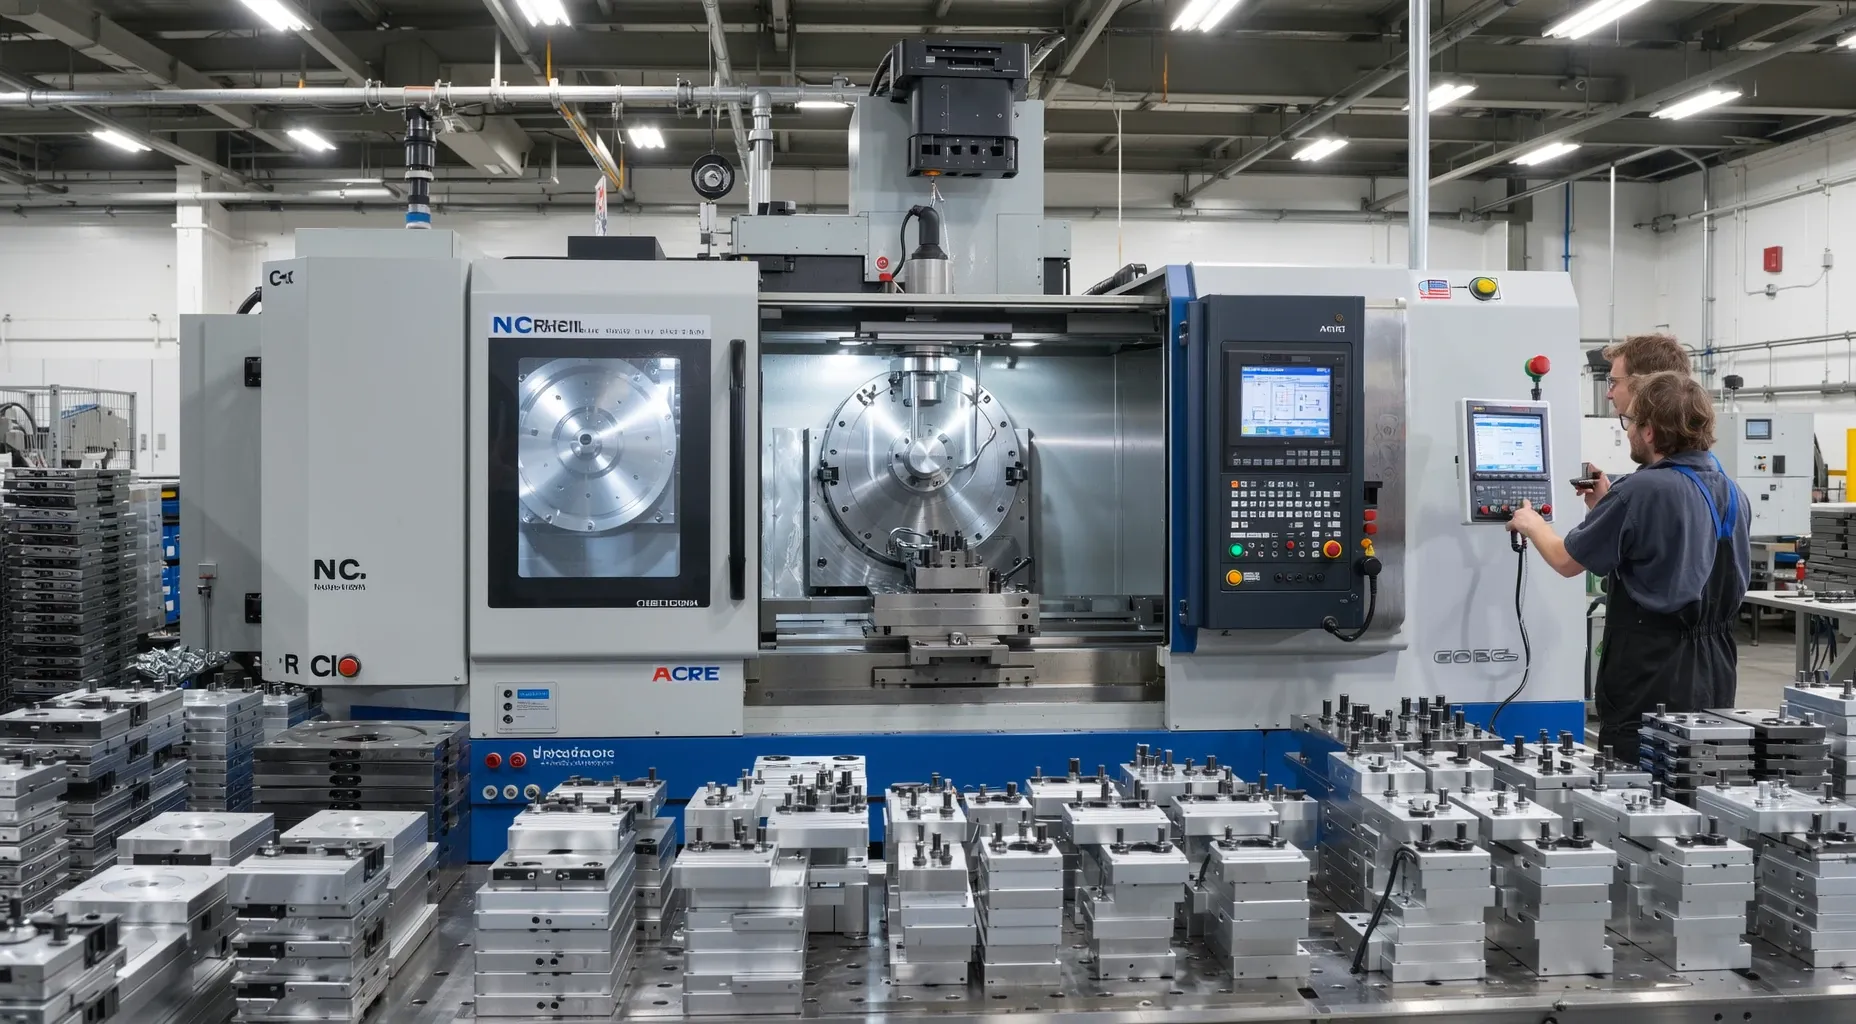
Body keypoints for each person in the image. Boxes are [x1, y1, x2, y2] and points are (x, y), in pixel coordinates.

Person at [1505, 371, 1750, 764]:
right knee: (1699, 771)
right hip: (1717, 665)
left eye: (1630, 421)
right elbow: (1667, 551)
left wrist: (1533, 525)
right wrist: (1606, 506)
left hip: (1651, 672)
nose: (1629, 430)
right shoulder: (1731, 490)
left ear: (1649, 432)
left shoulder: (1640, 490)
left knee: (1638, 779)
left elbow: (1566, 561)